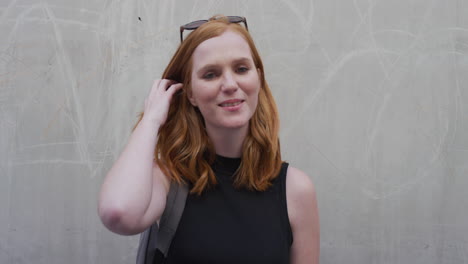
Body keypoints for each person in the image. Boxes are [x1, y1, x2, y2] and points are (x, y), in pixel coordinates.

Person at [98, 15, 319, 264]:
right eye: (211, 74)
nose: (229, 84)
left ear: (258, 78)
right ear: (190, 93)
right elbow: (118, 213)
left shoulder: (295, 190)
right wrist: (152, 119)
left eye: (241, 69)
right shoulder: (168, 179)